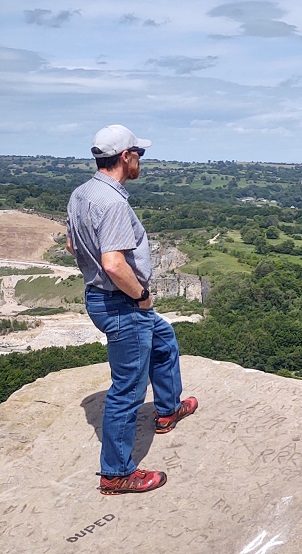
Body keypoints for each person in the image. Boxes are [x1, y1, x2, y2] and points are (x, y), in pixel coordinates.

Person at [66, 124, 197, 495]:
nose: (141, 159)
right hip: (122, 302)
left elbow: (72, 244)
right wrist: (140, 295)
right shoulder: (112, 203)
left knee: (164, 339)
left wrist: (93, 268)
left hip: (102, 297)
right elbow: (113, 264)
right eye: (139, 153)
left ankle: (168, 410)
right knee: (128, 389)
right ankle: (116, 473)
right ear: (126, 157)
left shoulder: (82, 193)